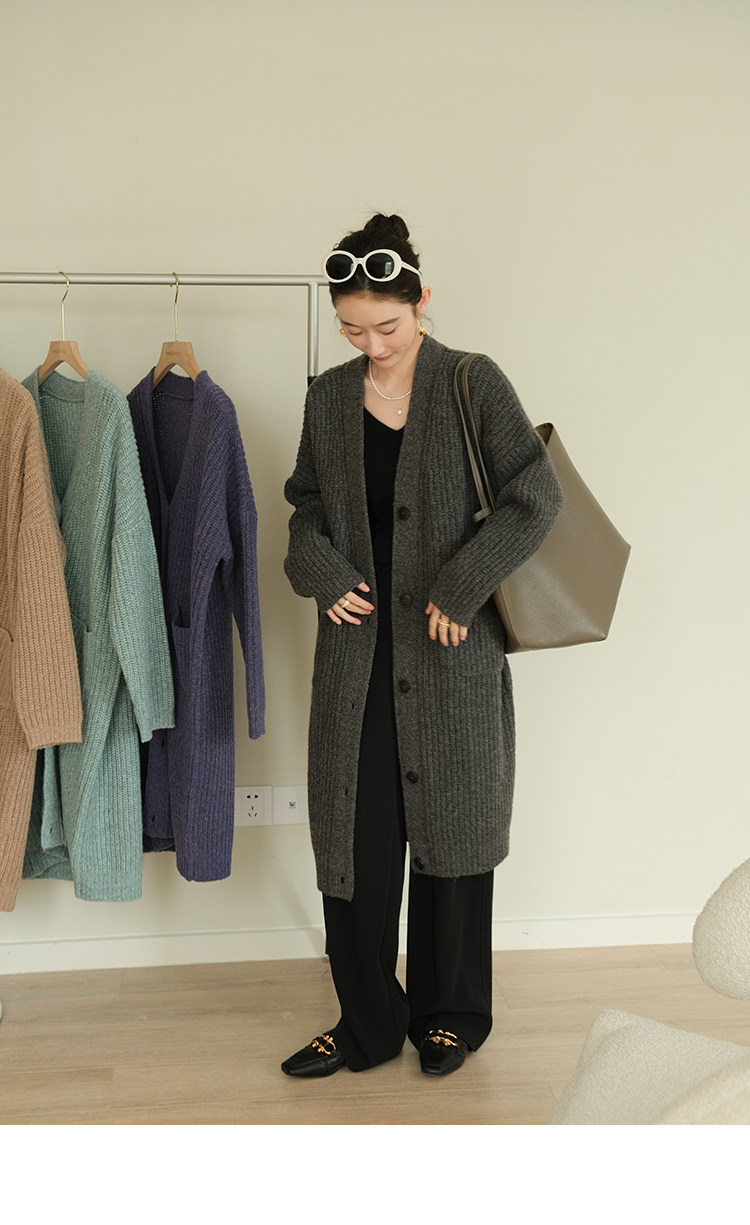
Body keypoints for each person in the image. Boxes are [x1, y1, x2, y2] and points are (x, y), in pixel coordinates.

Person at [282, 213, 562, 1078]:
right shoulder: (329, 398)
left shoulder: (472, 382)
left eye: (388, 327)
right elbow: (305, 509)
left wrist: (463, 580)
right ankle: (366, 1022)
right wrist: (321, 569)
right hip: (357, 658)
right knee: (355, 846)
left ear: (421, 301)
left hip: (451, 653)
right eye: (353, 330)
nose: (372, 345)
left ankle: (449, 1015)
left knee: (454, 830)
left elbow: (535, 494)